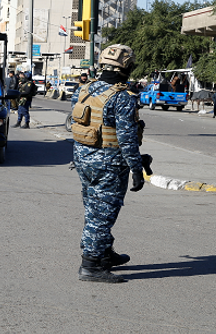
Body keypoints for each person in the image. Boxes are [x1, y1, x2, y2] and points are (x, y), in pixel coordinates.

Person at [71, 44, 144, 283]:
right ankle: (91, 266)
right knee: (101, 215)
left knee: (93, 209)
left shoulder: (85, 89)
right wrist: (136, 167)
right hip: (109, 164)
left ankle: (103, 253)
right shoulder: (123, 97)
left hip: (83, 159)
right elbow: (127, 138)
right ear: (128, 67)